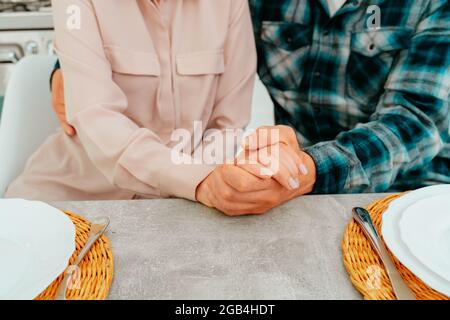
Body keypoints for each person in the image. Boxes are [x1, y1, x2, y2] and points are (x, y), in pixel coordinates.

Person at [17, 0, 450, 216]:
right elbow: (98, 106)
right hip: (282, 182)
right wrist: (71, 66)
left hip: (405, 191)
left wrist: (305, 170)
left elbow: (416, 121)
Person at [6, 0, 274, 206]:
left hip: (186, 201)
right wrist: (193, 180)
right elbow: (96, 117)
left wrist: (200, 183)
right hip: (77, 191)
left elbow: (228, 122)